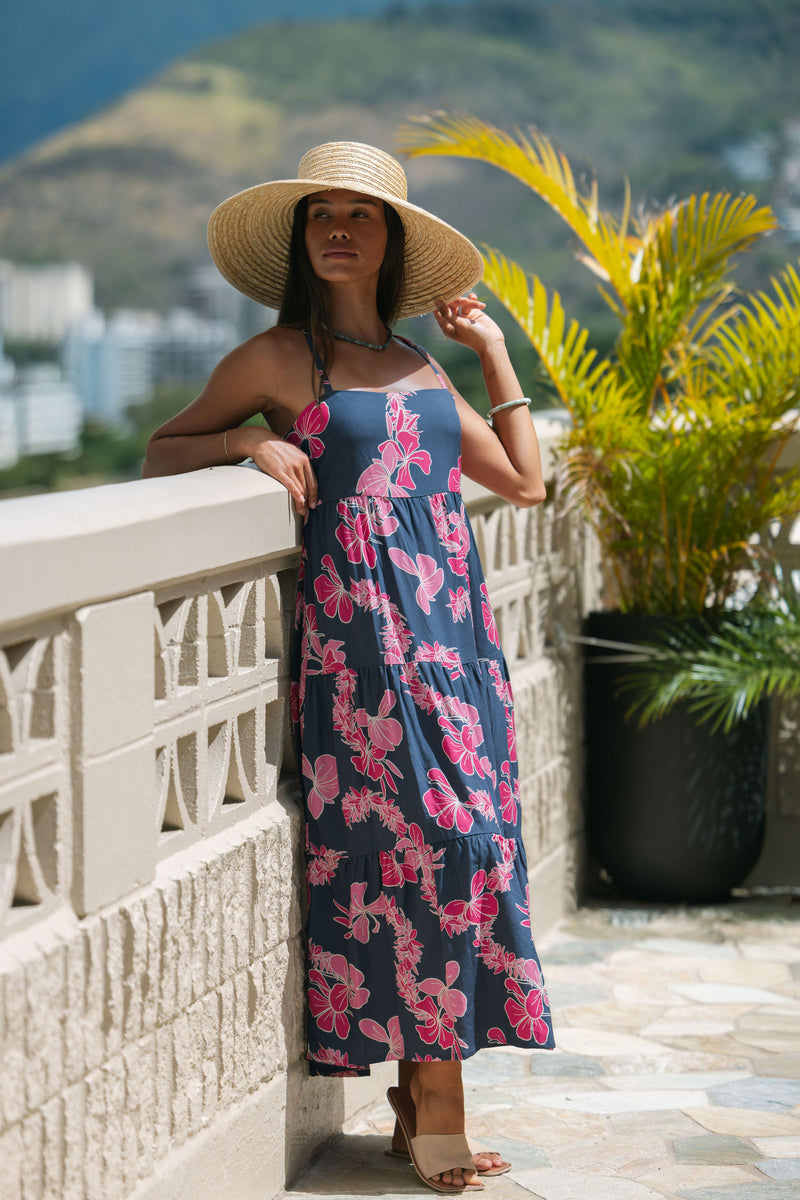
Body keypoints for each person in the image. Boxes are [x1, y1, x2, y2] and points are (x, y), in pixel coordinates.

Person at [143, 141, 554, 1194]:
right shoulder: (283, 357)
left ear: (391, 241)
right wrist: (245, 440)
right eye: (320, 214)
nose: (336, 229)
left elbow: (520, 479)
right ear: (302, 238)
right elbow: (161, 451)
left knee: (465, 851)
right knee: (429, 851)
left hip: (454, 649)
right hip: (360, 652)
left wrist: (494, 355)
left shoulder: (422, 370)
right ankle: (436, 1108)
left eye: (358, 216)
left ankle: (427, 1093)